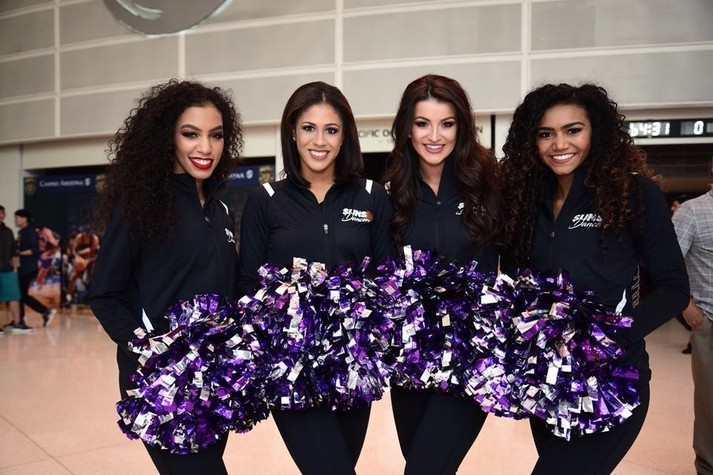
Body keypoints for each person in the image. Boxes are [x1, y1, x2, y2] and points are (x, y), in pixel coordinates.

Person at [499, 83, 689, 474]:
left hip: (611, 381)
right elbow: (520, 283)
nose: (559, 144)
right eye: (546, 133)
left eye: (573, 130)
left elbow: (673, 288)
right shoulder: (526, 202)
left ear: (595, 132)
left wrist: (608, 339)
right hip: (547, 384)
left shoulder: (633, 193)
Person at [238, 81, 392, 474]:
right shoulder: (264, 200)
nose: (319, 141)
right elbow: (248, 287)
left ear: (345, 136)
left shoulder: (372, 196)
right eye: (309, 128)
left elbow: (387, 279)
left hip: (352, 367)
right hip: (291, 369)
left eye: (331, 129)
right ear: (292, 132)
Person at [89, 79, 243, 474]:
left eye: (216, 135)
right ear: (167, 137)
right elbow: (105, 294)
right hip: (161, 382)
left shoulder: (221, 210)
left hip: (215, 380)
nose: (205, 147)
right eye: (191, 134)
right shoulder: (141, 205)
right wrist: (150, 351)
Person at [380, 74, 501, 474]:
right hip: (410, 361)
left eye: (446, 124)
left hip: (470, 357)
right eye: (422, 123)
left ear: (461, 127)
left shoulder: (489, 186)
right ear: (406, 128)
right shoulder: (389, 193)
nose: (435, 136)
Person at [671, 187, 713, 474]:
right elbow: (666, 265)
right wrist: (685, 305)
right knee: (710, 405)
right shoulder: (692, 212)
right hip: (710, 322)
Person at [14, 209, 56, 329]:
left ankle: (44, 311)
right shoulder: (22, 232)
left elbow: (34, 250)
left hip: (28, 267)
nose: (15, 220)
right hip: (23, 267)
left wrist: (18, 253)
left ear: (24, 219)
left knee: (21, 294)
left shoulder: (30, 232)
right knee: (20, 294)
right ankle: (21, 319)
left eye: (17, 218)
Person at [0, 205, 22, 336]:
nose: (0, 215)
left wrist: (15, 268)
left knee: (14, 296)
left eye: (1, 213)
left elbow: (14, 252)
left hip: (8, 270)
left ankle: (17, 323)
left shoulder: (8, 232)